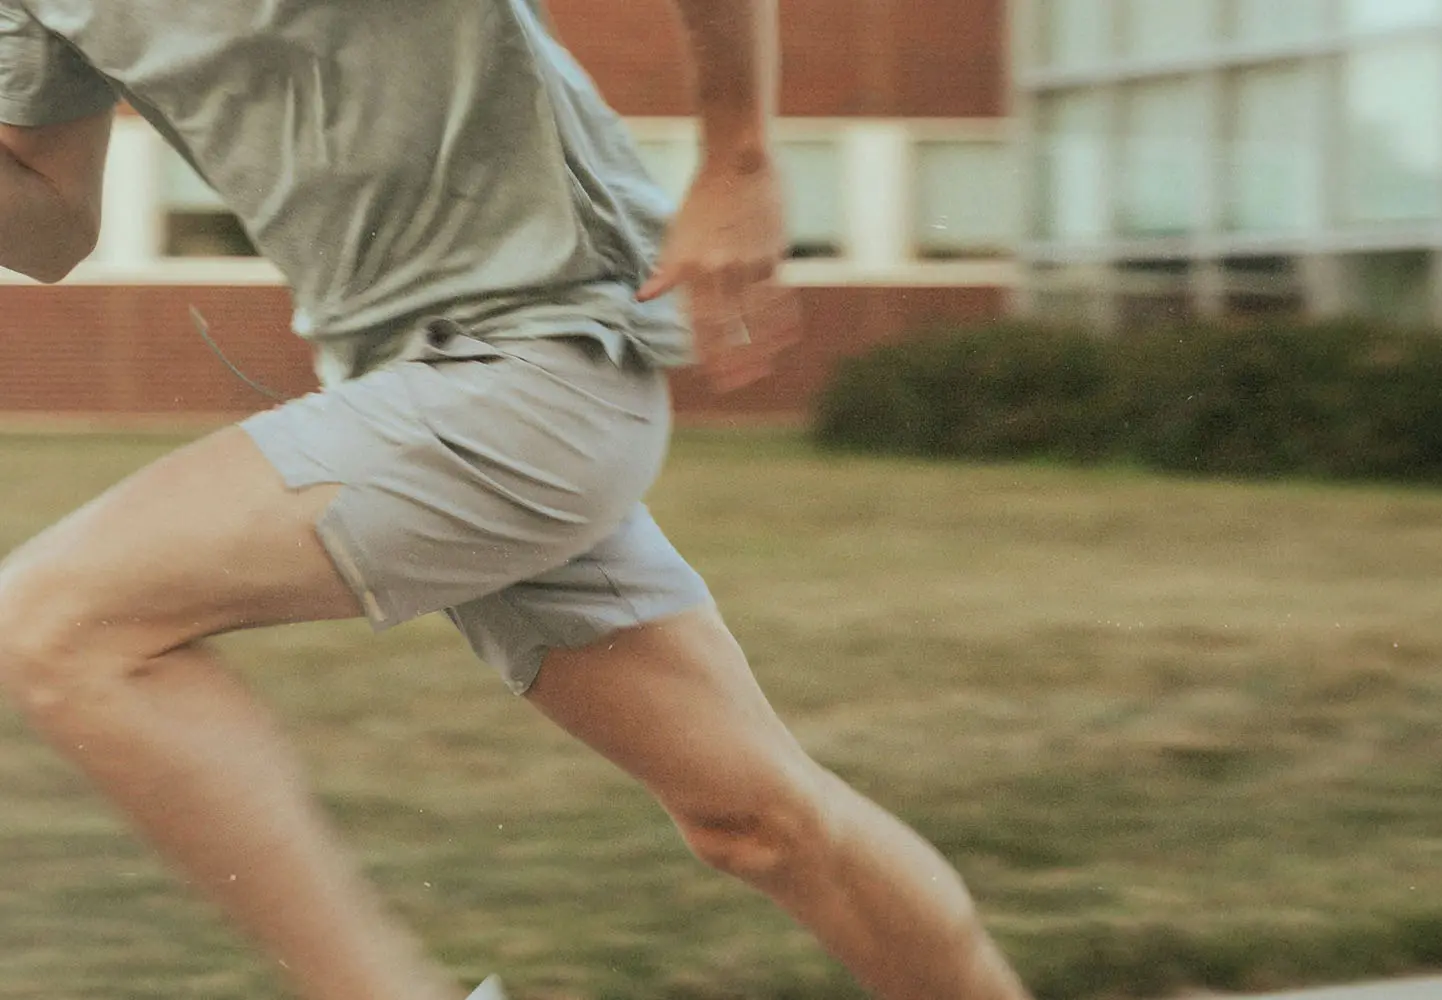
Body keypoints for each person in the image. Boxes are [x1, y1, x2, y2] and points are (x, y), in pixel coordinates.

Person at [0, 2, 1032, 998]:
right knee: (755, 820)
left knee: (58, 624)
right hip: (399, 383)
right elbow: (49, 226)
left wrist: (739, 157)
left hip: (545, 352)